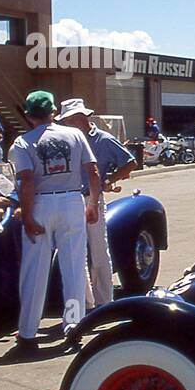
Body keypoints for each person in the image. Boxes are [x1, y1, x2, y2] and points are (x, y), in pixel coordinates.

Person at [9, 90, 100, 356]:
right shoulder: (75, 135)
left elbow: (27, 180)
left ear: (29, 116)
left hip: (41, 202)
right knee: (73, 268)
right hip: (72, 199)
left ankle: (28, 333)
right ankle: (73, 325)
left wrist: (27, 216)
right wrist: (93, 204)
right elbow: (93, 171)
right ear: (53, 113)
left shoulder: (23, 142)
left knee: (34, 271)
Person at [57, 98, 137, 311]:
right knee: (76, 252)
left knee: (99, 249)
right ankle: (85, 301)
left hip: (92, 197)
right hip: (70, 198)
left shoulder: (103, 139)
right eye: (65, 121)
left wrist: (109, 179)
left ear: (81, 118)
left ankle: (104, 301)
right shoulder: (65, 140)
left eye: (70, 120)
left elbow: (130, 162)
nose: (67, 124)